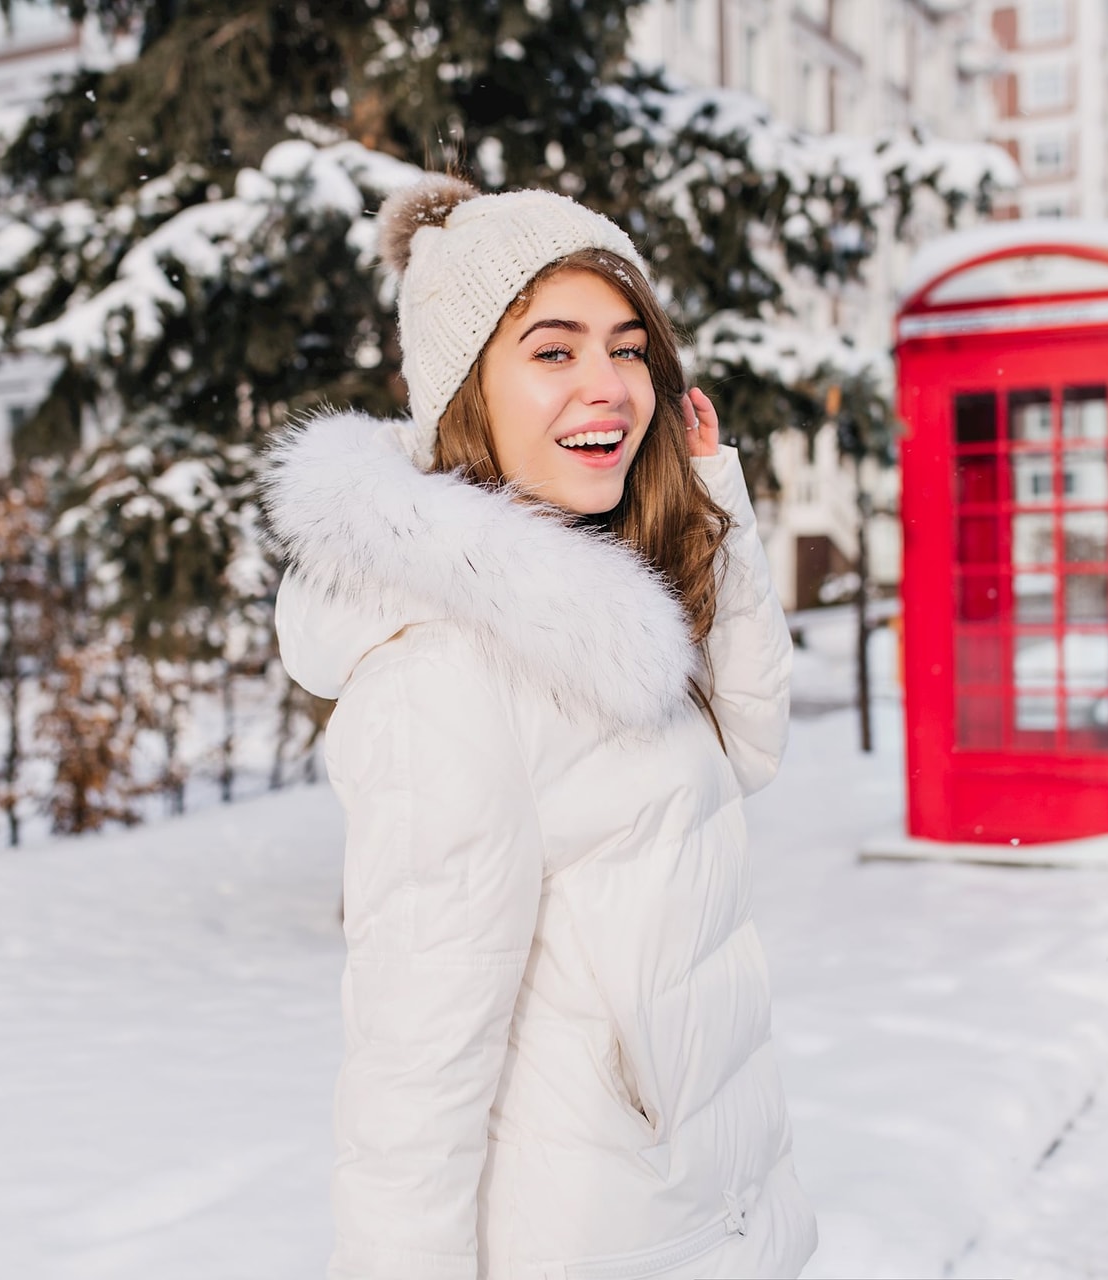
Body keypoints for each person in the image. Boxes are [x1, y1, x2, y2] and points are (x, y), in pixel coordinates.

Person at [262, 176, 815, 1280]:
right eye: (553, 351)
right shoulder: (445, 675)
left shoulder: (618, 593)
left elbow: (749, 744)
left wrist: (719, 512)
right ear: (468, 388)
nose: (608, 388)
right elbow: (412, 1078)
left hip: (713, 1195)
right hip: (593, 1238)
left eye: (627, 346)